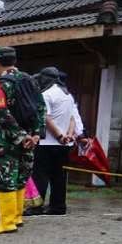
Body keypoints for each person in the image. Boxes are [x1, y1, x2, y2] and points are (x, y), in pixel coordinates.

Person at [0, 46, 44, 234]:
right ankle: (17, 217)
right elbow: (40, 108)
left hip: (6, 142)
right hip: (30, 141)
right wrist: (35, 134)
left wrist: (20, 136)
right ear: (14, 61)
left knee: (5, 180)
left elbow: (1, 114)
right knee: (21, 178)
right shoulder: (30, 81)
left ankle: (7, 222)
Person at [29, 67, 82, 216]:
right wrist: (69, 135)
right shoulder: (68, 95)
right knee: (59, 176)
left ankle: (36, 207)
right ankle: (58, 207)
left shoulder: (46, 94)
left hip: (47, 143)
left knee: (40, 175)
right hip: (64, 145)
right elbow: (73, 118)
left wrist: (59, 136)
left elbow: (46, 118)